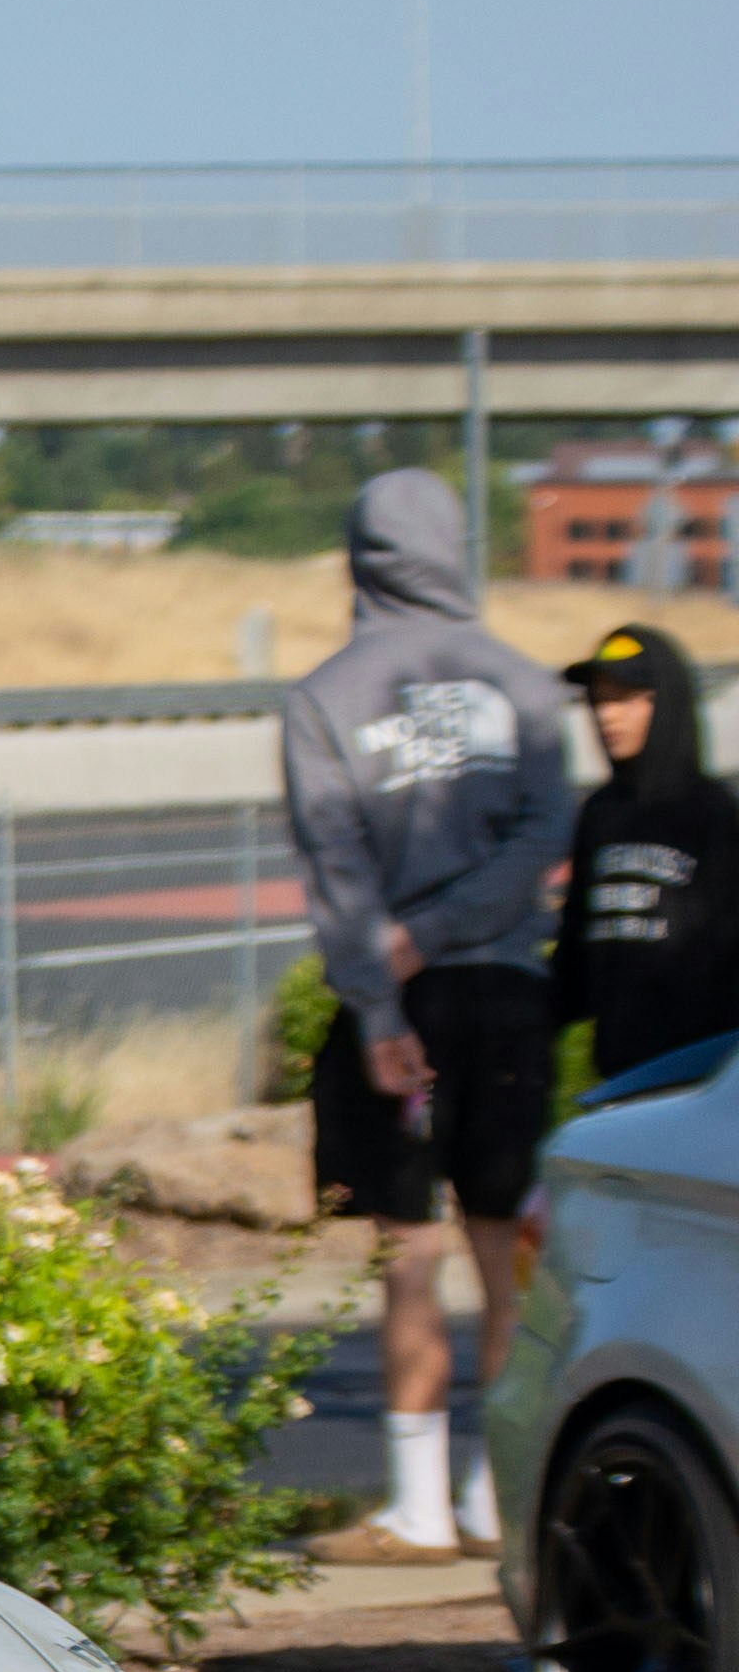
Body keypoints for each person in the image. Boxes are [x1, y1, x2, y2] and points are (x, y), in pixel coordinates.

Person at [279, 464, 570, 1560]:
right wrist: (447, 929)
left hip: (386, 1007)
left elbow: (332, 865)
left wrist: (381, 983)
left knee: (407, 1251)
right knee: (499, 1248)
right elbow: (541, 839)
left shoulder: (322, 696)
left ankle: (414, 1507)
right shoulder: (526, 686)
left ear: (359, 558)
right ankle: (499, 1496)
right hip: (503, 992)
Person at [554, 621, 739, 1088]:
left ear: (668, 703)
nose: (606, 716)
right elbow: (575, 958)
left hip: (698, 1082)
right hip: (618, 1079)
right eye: (598, 699)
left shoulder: (715, 815)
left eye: (625, 698)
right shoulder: (600, 813)